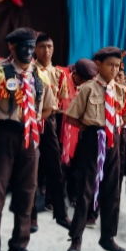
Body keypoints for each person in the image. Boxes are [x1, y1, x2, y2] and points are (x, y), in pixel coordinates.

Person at [0, 29, 57, 251]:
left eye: (31, 48)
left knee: (27, 193)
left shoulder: (40, 76)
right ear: (12, 47)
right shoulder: (0, 74)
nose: (29, 52)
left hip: (30, 138)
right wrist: (0, 127)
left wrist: (33, 122)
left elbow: (50, 107)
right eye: (23, 47)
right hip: (6, 135)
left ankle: (19, 244)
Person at [64, 46, 126, 251]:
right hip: (94, 140)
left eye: (117, 65)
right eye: (109, 64)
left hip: (114, 140)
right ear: (98, 65)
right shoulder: (88, 89)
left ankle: (108, 237)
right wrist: (89, 128)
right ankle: (76, 238)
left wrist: (117, 125)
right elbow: (71, 116)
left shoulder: (121, 90)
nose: (114, 69)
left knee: (113, 189)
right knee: (86, 189)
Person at [31, 32, 72, 227]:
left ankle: (61, 213)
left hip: (50, 122)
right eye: (42, 47)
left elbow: (62, 104)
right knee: (30, 168)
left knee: (55, 168)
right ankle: (31, 216)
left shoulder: (59, 74)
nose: (46, 50)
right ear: (35, 50)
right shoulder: (29, 71)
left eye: (49, 46)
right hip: (31, 121)